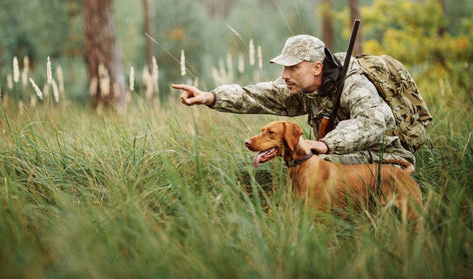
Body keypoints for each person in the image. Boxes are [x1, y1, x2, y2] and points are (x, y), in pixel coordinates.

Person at [172, 35, 415, 165]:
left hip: (386, 157)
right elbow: (257, 95)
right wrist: (210, 96)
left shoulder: (353, 84)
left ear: (317, 67)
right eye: (284, 68)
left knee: (318, 162)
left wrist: (325, 145)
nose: (284, 76)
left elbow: (373, 122)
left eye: (293, 68)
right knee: (307, 162)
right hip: (343, 156)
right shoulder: (301, 87)